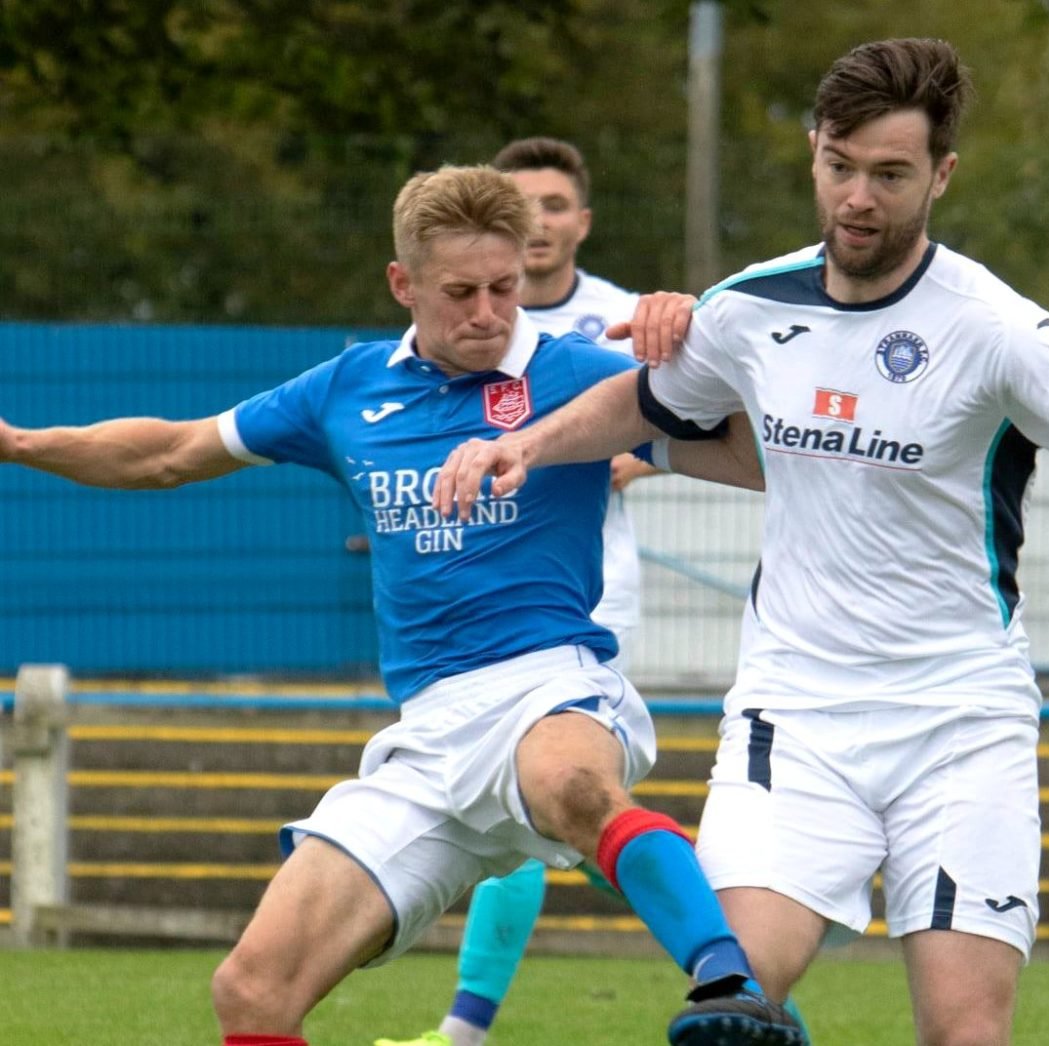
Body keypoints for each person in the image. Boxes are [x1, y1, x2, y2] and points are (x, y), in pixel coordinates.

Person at [430, 39, 1049, 1045]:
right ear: (813, 154)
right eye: (841, 165)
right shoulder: (753, 306)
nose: (860, 197)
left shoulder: (995, 327)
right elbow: (650, 402)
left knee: (964, 1032)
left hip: (961, 717)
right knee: (735, 1006)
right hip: (796, 710)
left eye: (890, 173)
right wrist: (522, 443)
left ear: (942, 175)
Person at [0, 164, 803, 1046]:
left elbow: (758, 460)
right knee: (252, 988)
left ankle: (733, 988)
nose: (489, 313)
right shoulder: (347, 389)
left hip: (549, 683)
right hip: (423, 739)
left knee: (570, 784)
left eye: (506, 288)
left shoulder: (578, 376)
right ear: (402, 284)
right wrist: (20, 443)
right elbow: (172, 452)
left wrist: (705, 343)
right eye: (460, 292)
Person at [375, 138, 777, 1046]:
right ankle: (737, 956)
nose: (542, 221)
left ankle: (471, 1026)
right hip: (471, 630)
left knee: (547, 797)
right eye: (527, 204)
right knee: (554, 813)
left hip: (584, 608)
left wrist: (636, 452)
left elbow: (707, 429)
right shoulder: (434, 339)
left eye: (557, 205)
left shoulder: (624, 322)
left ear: (578, 224)